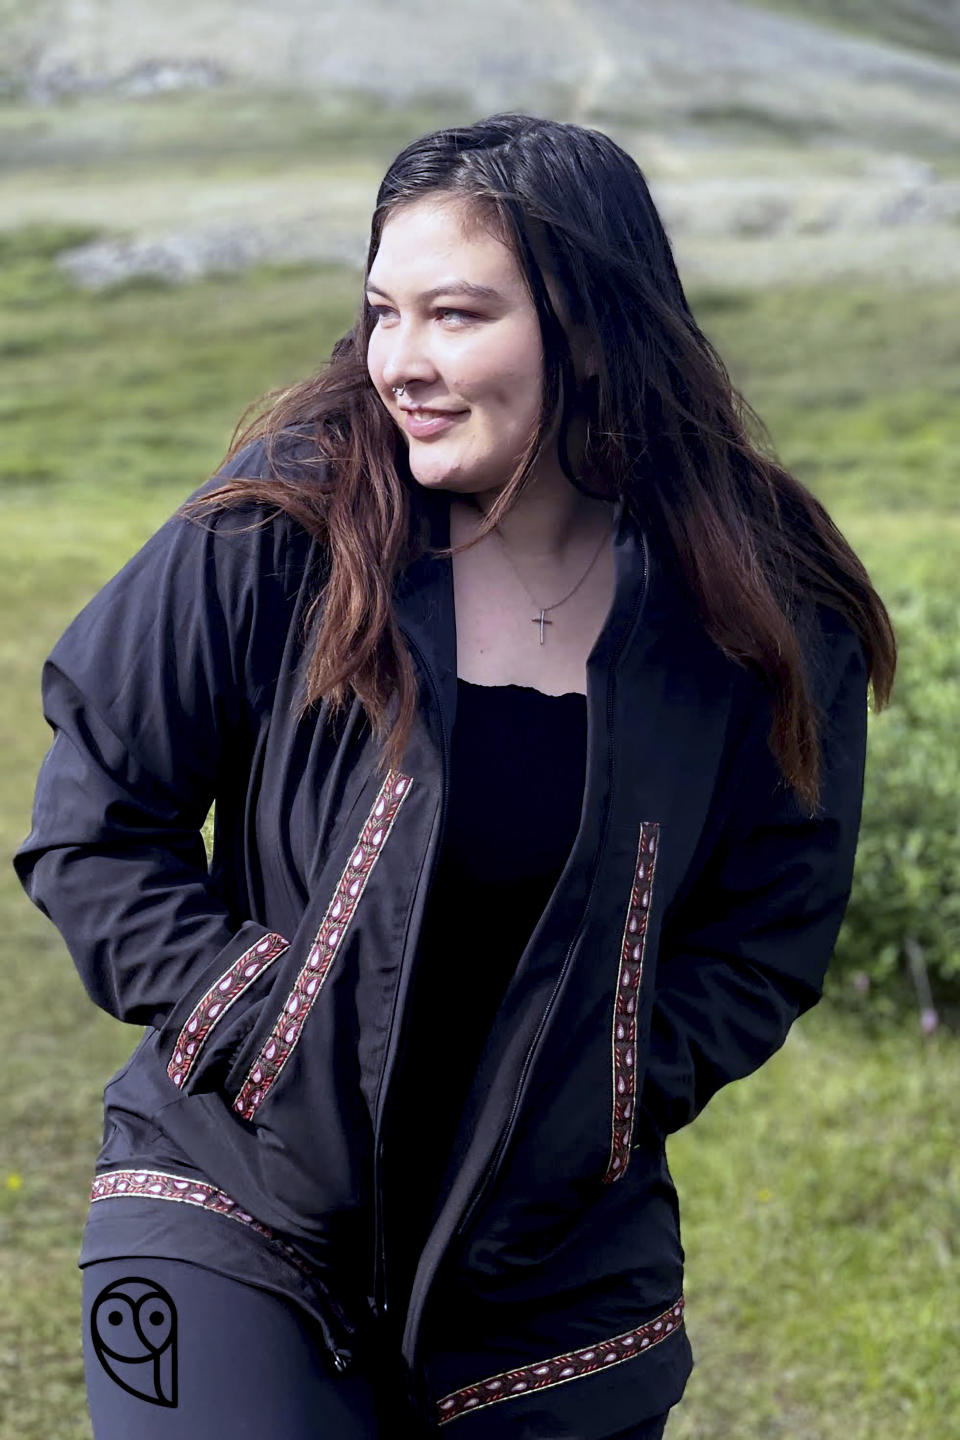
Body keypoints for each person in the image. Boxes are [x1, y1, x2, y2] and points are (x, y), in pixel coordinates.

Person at [13, 112, 896, 1439]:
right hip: (237, 1207)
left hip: (551, 1278)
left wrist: (610, 1090)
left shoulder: (757, 606)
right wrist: (257, 1025)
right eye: (384, 311)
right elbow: (94, 821)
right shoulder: (284, 528)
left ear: (591, 329)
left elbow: (773, 921)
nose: (402, 363)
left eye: (458, 316)